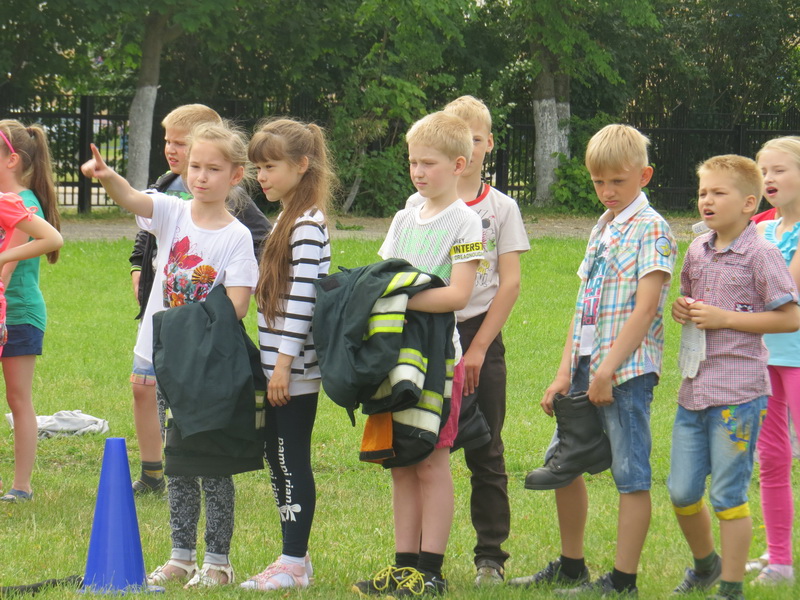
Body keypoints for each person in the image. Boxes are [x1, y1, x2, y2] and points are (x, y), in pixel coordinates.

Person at [81, 121, 260, 588]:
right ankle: (181, 557)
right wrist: (107, 177)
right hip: (162, 358)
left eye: (213, 169)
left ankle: (218, 563)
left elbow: (238, 305)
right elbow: (132, 199)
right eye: (195, 166)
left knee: (212, 465)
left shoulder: (237, 236)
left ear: (235, 175)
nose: (200, 176)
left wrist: (190, 326)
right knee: (177, 460)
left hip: (205, 366)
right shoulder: (172, 213)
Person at [510, 124, 677, 596]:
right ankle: (572, 566)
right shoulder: (602, 227)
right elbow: (584, 303)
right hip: (587, 370)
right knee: (563, 465)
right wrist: (565, 371)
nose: (607, 191)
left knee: (630, 474)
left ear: (644, 175)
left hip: (626, 372)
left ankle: (623, 580)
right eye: (598, 181)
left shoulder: (652, 228)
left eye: (617, 181)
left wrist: (607, 371)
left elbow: (646, 308)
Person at [352, 111, 482, 597]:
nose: (418, 172)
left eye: (429, 163)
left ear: (459, 164)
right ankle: (403, 567)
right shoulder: (404, 216)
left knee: (430, 460)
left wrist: (398, 300)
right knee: (401, 462)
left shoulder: (467, 220)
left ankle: (431, 572)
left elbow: (458, 295)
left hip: (438, 360)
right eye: (413, 162)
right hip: (393, 356)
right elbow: (381, 275)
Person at [406, 96, 529, 585]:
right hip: (426, 335)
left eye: (475, 137)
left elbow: (509, 283)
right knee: (421, 445)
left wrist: (478, 349)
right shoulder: (415, 207)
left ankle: (490, 558)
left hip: (478, 332)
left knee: (485, 446)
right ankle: (416, 560)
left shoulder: (500, 208)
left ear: (486, 144)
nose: (469, 146)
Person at [668, 154, 800, 600]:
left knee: (727, 495)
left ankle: (731, 587)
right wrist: (682, 309)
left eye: (718, 193)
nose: (706, 200)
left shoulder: (762, 254)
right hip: (693, 390)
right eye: (703, 192)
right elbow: (690, 301)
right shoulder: (696, 250)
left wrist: (725, 318)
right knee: (681, 493)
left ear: (748, 203)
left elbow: (790, 318)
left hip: (739, 395)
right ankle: (707, 565)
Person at [127, 104, 270, 496]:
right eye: (169, 142)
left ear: (233, 174)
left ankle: (198, 474)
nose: (171, 150)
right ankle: (156, 472)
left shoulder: (237, 222)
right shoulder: (168, 191)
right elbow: (143, 227)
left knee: (188, 413)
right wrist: (138, 267)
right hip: (161, 329)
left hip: (199, 339)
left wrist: (242, 280)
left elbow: (258, 246)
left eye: (179, 143)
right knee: (148, 393)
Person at [238, 118, 334, 591]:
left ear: (301, 165)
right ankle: (294, 557)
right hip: (279, 365)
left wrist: (282, 367)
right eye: (258, 168)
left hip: (293, 370)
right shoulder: (287, 218)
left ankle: (293, 562)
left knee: (289, 457)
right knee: (277, 458)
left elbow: (302, 302)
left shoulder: (307, 225)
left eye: (270, 167)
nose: (262, 176)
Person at [0, 120, 64, 503]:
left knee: (17, 398)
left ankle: (21, 486)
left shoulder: (20, 204)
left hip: (18, 314)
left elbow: (6, 269)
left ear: (12, 160)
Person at [748, 137, 800, 587]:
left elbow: (784, 287)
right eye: (764, 170)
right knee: (772, 460)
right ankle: (779, 560)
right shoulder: (764, 229)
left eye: (779, 170)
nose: (768, 179)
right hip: (765, 359)